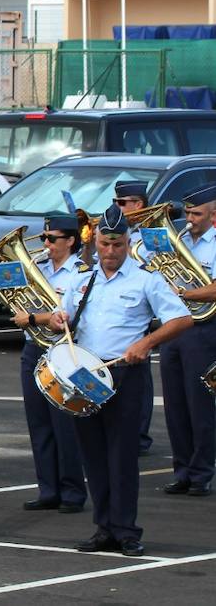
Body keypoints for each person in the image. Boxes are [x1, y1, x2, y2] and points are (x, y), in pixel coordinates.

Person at [45, 205, 193, 556]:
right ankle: (104, 528)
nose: (110, 252)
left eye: (117, 245)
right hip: (87, 374)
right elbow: (62, 319)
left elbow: (182, 319)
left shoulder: (146, 279)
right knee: (93, 455)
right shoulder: (83, 280)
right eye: (104, 245)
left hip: (125, 374)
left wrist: (146, 342)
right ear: (95, 242)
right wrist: (57, 319)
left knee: (122, 456)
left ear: (128, 243)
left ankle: (126, 530)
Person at [14, 214, 89, 514]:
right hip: (34, 348)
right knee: (39, 423)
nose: (45, 243)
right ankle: (48, 489)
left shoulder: (81, 272)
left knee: (64, 425)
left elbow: (68, 314)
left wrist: (34, 318)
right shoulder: (37, 269)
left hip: (62, 354)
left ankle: (72, 492)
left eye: (52, 238)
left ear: (70, 241)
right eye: (44, 237)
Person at [158, 184, 216, 497]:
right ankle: (182, 470)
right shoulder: (177, 241)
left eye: (196, 213)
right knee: (175, 404)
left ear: (214, 215)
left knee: (199, 403)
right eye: (188, 212)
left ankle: (201, 473)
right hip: (173, 327)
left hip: (203, 329)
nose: (189, 219)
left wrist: (184, 293)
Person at [112, 179, 156, 451]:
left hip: (139, 304)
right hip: (115, 304)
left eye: (121, 203)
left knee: (138, 373)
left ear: (138, 205)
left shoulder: (151, 234)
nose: (116, 207)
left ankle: (140, 434)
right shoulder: (116, 230)